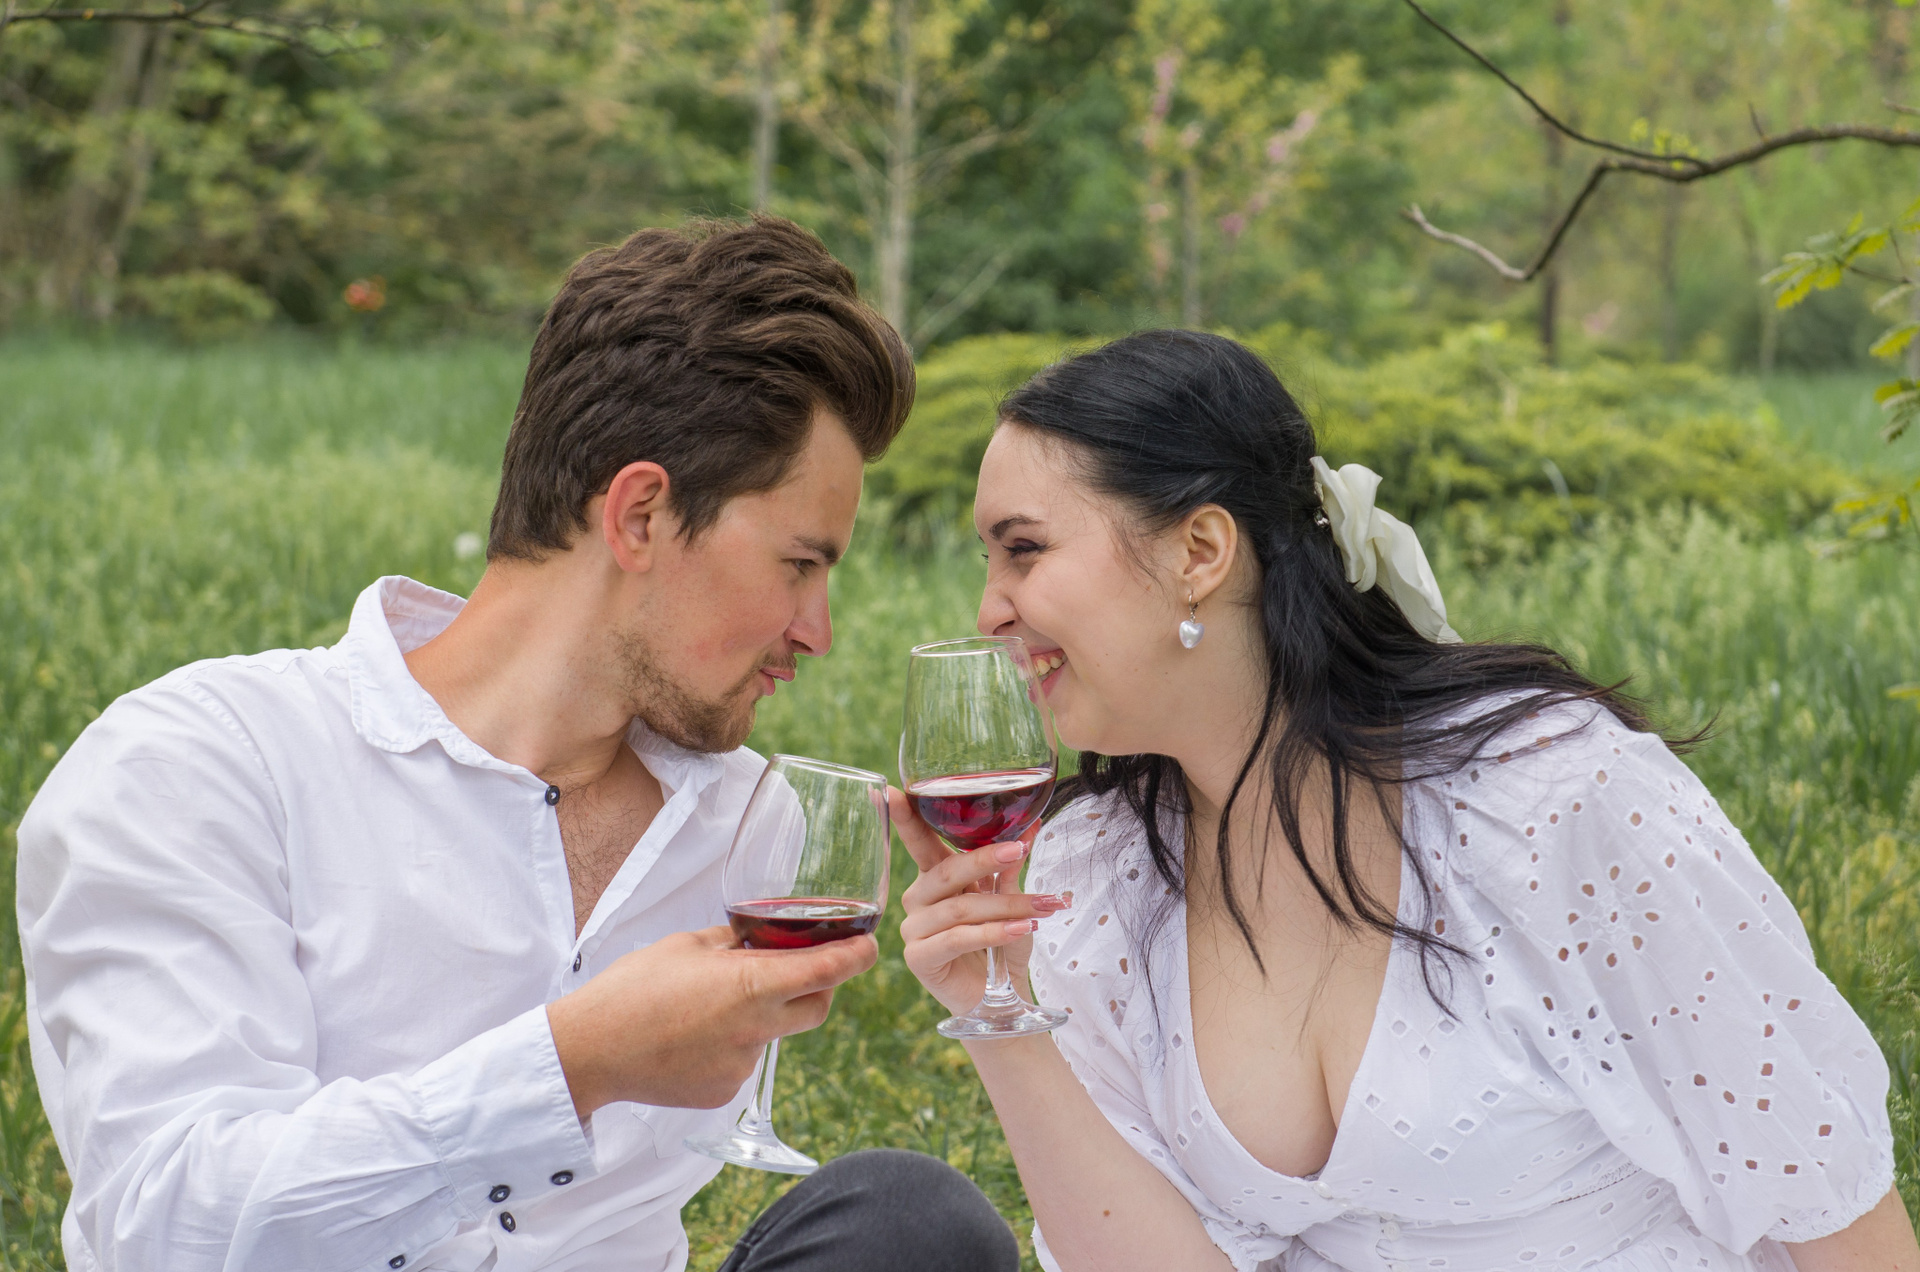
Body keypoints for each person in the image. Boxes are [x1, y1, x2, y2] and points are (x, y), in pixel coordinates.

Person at [17, 216, 1018, 1272]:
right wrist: (575, 1064)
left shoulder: (748, 826)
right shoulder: (201, 766)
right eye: (799, 566)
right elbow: (169, 1230)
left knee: (910, 1223)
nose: (819, 631)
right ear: (640, 516)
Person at [893, 329, 1918, 1272]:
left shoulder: (1551, 800)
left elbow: (1832, 1209)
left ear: (1199, 552)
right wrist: (1000, 1014)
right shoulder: (1101, 874)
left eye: (1023, 549)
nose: (989, 610)